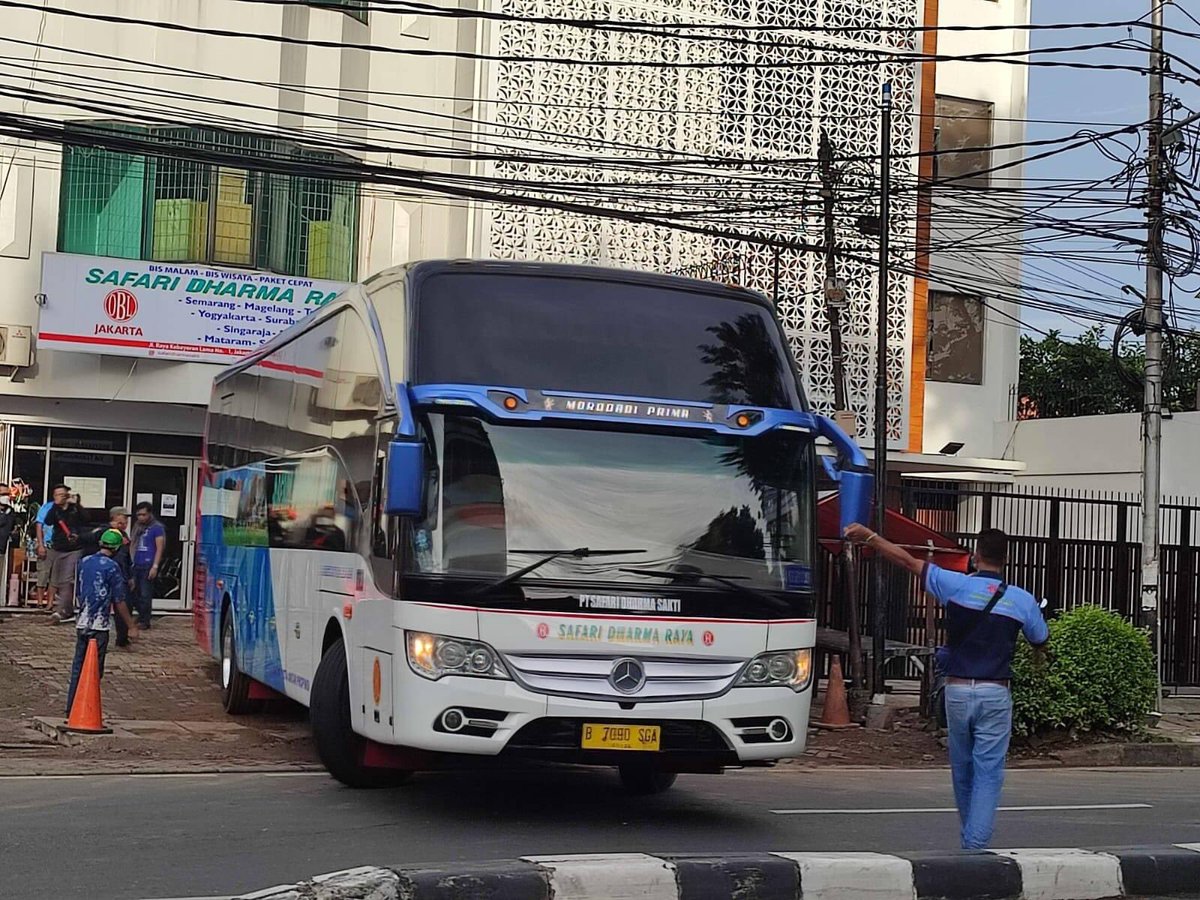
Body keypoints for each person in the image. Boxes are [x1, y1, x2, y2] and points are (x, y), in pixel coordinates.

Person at [844, 523, 1048, 851]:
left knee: (962, 769)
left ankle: (971, 841)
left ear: (975, 555)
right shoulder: (1021, 600)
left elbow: (907, 561)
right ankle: (974, 847)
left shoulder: (954, 585)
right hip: (995, 692)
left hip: (956, 692)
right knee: (988, 773)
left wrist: (869, 536)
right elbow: (1040, 639)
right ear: (1005, 559)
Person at [65, 529, 136, 718]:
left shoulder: (84, 562)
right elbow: (119, 601)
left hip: (82, 622)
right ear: (116, 547)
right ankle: (87, 709)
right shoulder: (112, 568)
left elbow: (78, 589)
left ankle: (70, 707)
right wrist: (130, 625)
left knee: (77, 668)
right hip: (99, 626)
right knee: (94, 671)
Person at [83, 508, 134, 647]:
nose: (124, 523)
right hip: (104, 572)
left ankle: (122, 637)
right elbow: (88, 538)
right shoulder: (105, 532)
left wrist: (130, 576)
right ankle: (91, 631)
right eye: (121, 520)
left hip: (121, 574)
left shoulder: (124, 536)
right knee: (106, 602)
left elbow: (126, 557)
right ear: (114, 518)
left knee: (123, 604)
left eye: (125, 521)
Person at [43, 485, 88, 625]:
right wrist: (55, 507)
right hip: (58, 547)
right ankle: (67, 609)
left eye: (63, 494)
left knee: (67, 579)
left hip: (73, 548)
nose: (60, 497)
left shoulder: (73, 509)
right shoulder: (54, 510)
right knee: (56, 580)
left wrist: (77, 505)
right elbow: (48, 521)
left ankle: (61, 610)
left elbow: (86, 519)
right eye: (57, 494)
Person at [129, 502, 165, 631]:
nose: (141, 517)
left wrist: (155, 566)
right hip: (136, 562)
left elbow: (159, 548)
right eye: (138, 515)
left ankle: (145, 620)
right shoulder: (137, 526)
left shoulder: (157, 528)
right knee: (133, 592)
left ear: (149, 514)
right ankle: (141, 614)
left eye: (143, 514)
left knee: (145, 593)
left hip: (148, 563)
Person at [33, 494, 56, 608]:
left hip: (59, 546)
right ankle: (40, 602)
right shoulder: (47, 507)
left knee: (55, 577)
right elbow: (39, 525)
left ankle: (50, 603)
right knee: (43, 573)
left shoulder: (68, 510)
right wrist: (40, 544)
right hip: (46, 544)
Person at [0, 487, 14, 606]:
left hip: (2, 548)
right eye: (3, 494)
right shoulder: (6, 512)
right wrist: (4, 514)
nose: (6, 496)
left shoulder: (10, 511)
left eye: (7, 494)